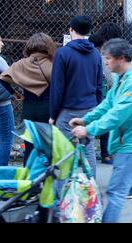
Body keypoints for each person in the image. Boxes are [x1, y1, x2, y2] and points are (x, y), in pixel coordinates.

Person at [70, 38, 132, 223]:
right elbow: (108, 104)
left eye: (108, 58)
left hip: (130, 145)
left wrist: (88, 129)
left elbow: (118, 114)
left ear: (121, 58)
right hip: (130, 143)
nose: (105, 62)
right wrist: (86, 120)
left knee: (116, 193)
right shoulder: (122, 79)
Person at [49, 15, 103, 177]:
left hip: (68, 111)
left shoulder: (63, 53)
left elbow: (57, 88)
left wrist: (53, 114)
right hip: (89, 108)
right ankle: (89, 189)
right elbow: (99, 85)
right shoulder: (95, 53)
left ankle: (60, 193)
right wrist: (97, 110)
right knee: (88, 149)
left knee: (62, 151)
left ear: (70, 29)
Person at [0, 33, 56, 165]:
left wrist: (15, 93)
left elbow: (3, 78)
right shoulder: (53, 64)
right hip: (47, 109)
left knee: (29, 146)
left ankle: (29, 182)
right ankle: (44, 179)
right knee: (47, 146)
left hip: (28, 110)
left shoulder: (21, 64)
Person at [89, 22, 122, 165]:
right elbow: (110, 77)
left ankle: (105, 153)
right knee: (106, 120)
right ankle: (106, 154)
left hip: (94, 89)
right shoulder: (104, 51)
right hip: (101, 90)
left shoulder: (94, 47)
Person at [0, 34, 14, 166]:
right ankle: (1, 172)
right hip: (2, 105)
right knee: (6, 138)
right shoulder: (0, 60)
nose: (2, 44)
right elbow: (12, 77)